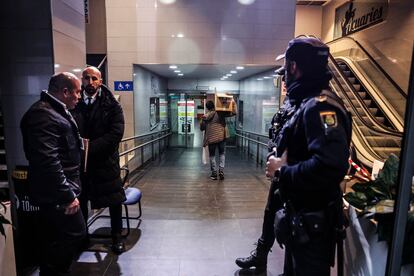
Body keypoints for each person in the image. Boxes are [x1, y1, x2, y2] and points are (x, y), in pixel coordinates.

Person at [237, 37, 352, 275]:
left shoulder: (320, 106)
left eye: (286, 70)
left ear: (293, 67)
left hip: (314, 224)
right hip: (302, 218)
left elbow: (330, 166)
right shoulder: (308, 103)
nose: (285, 79)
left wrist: (281, 170)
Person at [21, 72, 86, 275]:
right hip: (56, 195)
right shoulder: (43, 115)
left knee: (60, 238)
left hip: (62, 191)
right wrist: (67, 196)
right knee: (71, 234)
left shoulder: (56, 111)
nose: (79, 97)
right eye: (77, 92)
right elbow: (48, 161)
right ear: (65, 92)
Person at [71, 66, 126, 254]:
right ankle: (82, 237)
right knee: (81, 199)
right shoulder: (74, 104)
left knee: (114, 201)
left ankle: (117, 236)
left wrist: (89, 148)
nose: (90, 82)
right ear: (82, 80)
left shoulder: (112, 105)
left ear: (100, 81)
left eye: (94, 78)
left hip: (105, 162)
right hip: (81, 164)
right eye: (87, 78)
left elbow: (115, 134)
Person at [200, 100, 235, 180]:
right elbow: (233, 113)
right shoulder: (220, 113)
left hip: (211, 138)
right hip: (221, 137)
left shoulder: (205, 116)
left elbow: (202, 128)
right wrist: (232, 103)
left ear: (207, 108)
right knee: (222, 154)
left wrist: (203, 121)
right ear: (214, 106)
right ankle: (221, 171)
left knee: (212, 155)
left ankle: (214, 173)